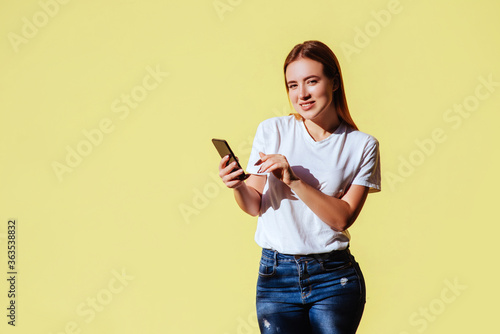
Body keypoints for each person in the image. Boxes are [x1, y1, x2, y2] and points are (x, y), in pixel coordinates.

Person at [218, 40, 381, 334]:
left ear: (333, 82)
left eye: (312, 81)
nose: (301, 94)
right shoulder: (272, 130)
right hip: (275, 275)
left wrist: (292, 180)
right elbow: (254, 204)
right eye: (292, 85)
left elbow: (341, 217)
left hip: (333, 278)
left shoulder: (361, 145)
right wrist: (236, 185)